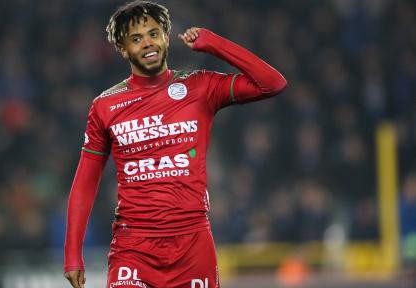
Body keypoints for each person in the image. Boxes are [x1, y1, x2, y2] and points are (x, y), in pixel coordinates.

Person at [64, 1, 287, 287]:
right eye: (136, 38)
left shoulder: (201, 87)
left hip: (192, 245)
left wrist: (215, 44)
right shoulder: (105, 105)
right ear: (122, 49)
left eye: (153, 34)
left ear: (166, 37)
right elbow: (84, 183)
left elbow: (273, 83)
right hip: (133, 247)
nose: (147, 43)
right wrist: (73, 254)